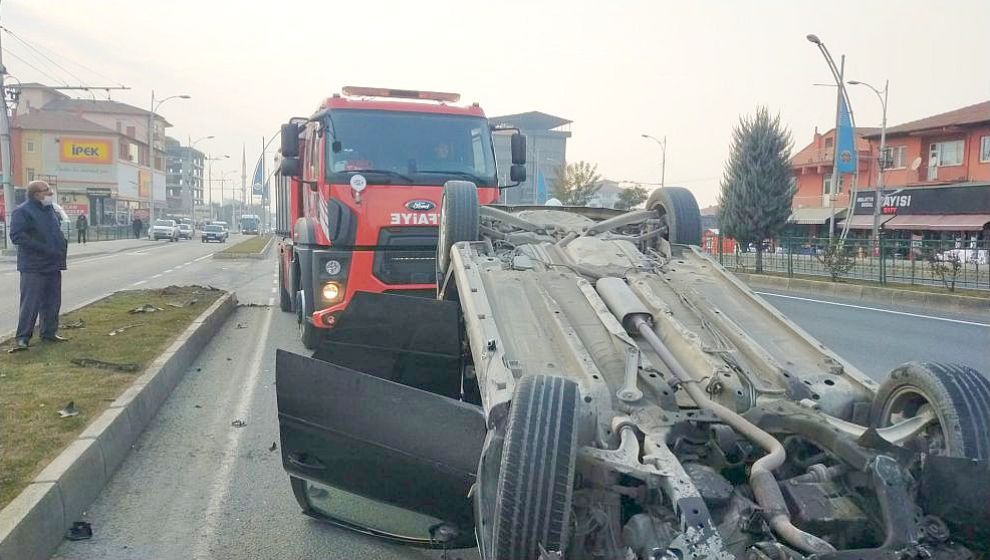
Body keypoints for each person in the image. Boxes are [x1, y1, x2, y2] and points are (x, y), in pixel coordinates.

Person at [8, 180, 69, 352]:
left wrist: (61, 246)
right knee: (30, 303)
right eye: (46, 191)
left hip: (53, 264)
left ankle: (49, 332)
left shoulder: (50, 210)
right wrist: (44, 248)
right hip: (33, 266)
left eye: (50, 190)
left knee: (52, 301)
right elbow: (17, 236)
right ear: (35, 194)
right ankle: (23, 338)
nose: (50, 193)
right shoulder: (23, 211)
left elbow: (54, 232)